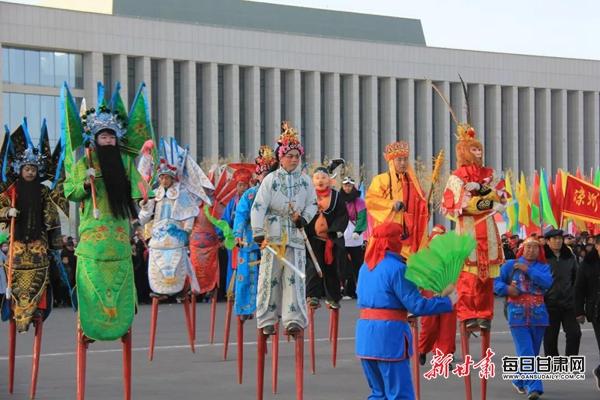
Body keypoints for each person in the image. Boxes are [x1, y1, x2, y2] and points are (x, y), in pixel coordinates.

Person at [64, 108, 149, 342]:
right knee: (92, 286)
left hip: (119, 236)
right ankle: (89, 327)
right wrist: (84, 182)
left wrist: (143, 197)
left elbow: (140, 188)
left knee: (120, 284)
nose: (109, 141)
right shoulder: (85, 161)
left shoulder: (125, 162)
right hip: (92, 238)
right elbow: (69, 191)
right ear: (95, 139)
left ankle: (122, 326)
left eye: (112, 137)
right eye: (103, 137)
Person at [356, 222, 456, 400]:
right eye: (399, 239)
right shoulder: (398, 268)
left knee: (378, 394)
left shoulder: (364, 268)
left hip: (365, 338)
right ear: (392, 241)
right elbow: (416, 305)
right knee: (400, 395)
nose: (402, 243)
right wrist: (447, 301)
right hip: (389, 337)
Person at [250, 121, 317, 336]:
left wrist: (303, 219)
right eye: (290, 156)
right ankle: (267, 318)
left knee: (294, 279)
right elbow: (258, 206)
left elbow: (313, 204)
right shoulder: (271, 180)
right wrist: (258, 231)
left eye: (297, 156)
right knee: (270, 277)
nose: (294, 159)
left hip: (296, 236)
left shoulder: (306, 181)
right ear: (281, 157)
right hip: (274, 235)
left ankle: (293, 319)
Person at [441, 123, 507, 331]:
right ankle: (469, 313)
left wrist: (480, 189)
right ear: (464, 151)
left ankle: (485, 314)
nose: (478, 153)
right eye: (474, 149)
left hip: (488, 231)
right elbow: (460, 204)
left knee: (487, 278)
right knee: (468, 277)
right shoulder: (456, 176)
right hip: (468, 230)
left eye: (479, 149)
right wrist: (487, 202)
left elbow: (501, 195)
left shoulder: (490, 172)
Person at [0, 143, 63, 331]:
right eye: (27, 169)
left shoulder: (43, 191)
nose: (30, 173)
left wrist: (54, 241)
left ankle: (36, 309)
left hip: (38, 244)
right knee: (15, 278)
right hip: (17, 244)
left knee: (39, 277)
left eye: (33, 169)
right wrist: (6, 211)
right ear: (20, 170)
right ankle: (15, 310)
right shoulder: (11, 191)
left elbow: (52, 217)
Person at [494, 237, 553, 400]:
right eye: (528, 247)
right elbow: (495, 282)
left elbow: (547, 283)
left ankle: (519, 380)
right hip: (517, 314)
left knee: (532, 353)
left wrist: (528, 270)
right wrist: (506, 289)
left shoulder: (543, 267)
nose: (531, 250)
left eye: (535, 248)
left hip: (539, 315)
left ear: (539, 250)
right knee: (526, 352)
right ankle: (534, 387)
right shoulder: (509, 265)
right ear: (522, 249)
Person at [138, 156, 199, 298]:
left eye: (167, 178)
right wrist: (141, 211)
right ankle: (159, 290)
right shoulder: (155, 193)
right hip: (158, 235)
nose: (164, 181)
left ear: (172, 179)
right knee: (157, 262)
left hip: (175, 233)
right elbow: (146, 213)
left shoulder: (181, 193)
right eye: (161, 178)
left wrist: (187, 230)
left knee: (177, 263)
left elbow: (188, 213)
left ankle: (180, 290)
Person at [232, 145, 277, 319]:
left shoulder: (277, 193)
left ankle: (272, 308)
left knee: (272, 277)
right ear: (258, 176)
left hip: (272, 241)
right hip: (250, 241)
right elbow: (241, 216)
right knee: (245, 276)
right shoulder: (250, 195)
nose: (265, 178)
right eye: (262, 174)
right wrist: (237, 235)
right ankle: (245, 308)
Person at [365, 141, 428, 259]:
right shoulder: (381, 180)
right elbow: (371, 201)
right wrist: (391, 205)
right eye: (399, 160)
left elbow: (419, 204)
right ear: (391, 161)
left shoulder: (413, 183)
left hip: (409, 235)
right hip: (388, 235)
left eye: (405, 159)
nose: (403, 163)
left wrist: (424, 205)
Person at [305, 167, 348, 310]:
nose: (320, 180)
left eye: (323, 177)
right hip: (313, 238)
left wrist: (335, 231)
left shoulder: (336, 197)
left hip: (331, 239)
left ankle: (333, 298)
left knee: (332, 269)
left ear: (329, 180)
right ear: (312, 181)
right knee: (313, 267)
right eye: (317, 178)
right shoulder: (308, 196)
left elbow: (343, 216)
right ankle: (313, 296)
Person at [418, 225, 458, 366]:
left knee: (448, 328)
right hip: (430, 295)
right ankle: (422, 350)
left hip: (449, 295)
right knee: (429, 326)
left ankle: (445, 358)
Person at [542, 229, 581, 356]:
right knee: (550, 338)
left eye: (560, 238)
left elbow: (577, 278)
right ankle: (553, 364)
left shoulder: (569, 256)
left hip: (569, 304)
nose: (558, 241)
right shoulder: (542, 257)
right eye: (554, 239)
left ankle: (571, 362)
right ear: (548, 241)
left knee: (575, 334)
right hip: (549, 304)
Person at [575, 234, 600, 391]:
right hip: (597, 310)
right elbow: (579, 289)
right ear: (597, 246)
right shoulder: (588, 264)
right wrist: (579, 311)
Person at [339, 176, 367, 299]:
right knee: (343, 265)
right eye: (345, 185)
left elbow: (362, 217)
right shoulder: (339, 199)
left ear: (353, 186)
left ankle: (360, 290)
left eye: (349, 185)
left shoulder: (359, 201)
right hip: (342, 235)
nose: (347, 187)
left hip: (355, 236)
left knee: (358, 265)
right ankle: (344, 290)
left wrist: (358, 231)